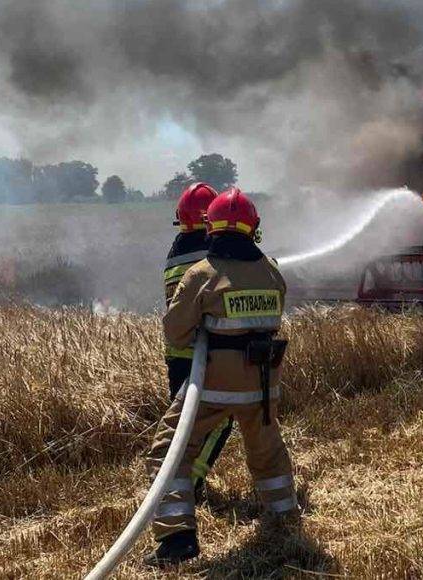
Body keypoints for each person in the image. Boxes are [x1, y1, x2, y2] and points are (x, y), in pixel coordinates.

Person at [144, 188, 297, 567]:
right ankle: (285, 520)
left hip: (214, 386)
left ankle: (177, 541)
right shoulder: (273, 272)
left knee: (168, 452)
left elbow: (175, 332)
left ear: (210, 228)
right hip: (262, 386)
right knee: (268, 454)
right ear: (253, 229)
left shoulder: (202, 274)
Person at [162, 182, 233, 496]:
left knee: (184, 426)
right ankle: (189, 485)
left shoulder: (175, 251)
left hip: (177, 353)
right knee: (219, 420)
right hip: (203, 354)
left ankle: (171, 480)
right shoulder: (212, 250)